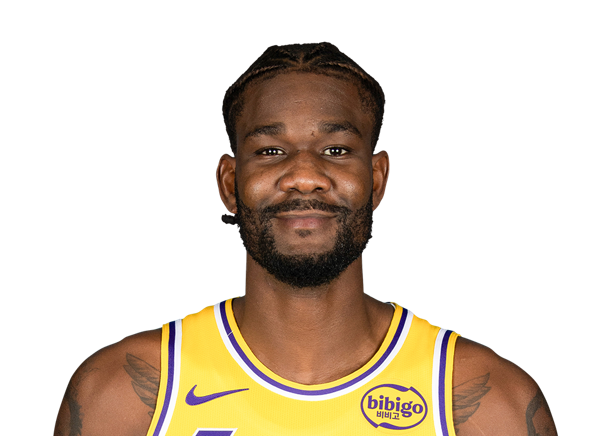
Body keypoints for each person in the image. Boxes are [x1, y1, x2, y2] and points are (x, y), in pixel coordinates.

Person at [54, 42, 557, 436]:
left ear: (377, 180)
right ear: (229, 184)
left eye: (336, 149)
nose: (304, 176)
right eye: (270, 151)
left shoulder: (485, 402)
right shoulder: (122, 395)